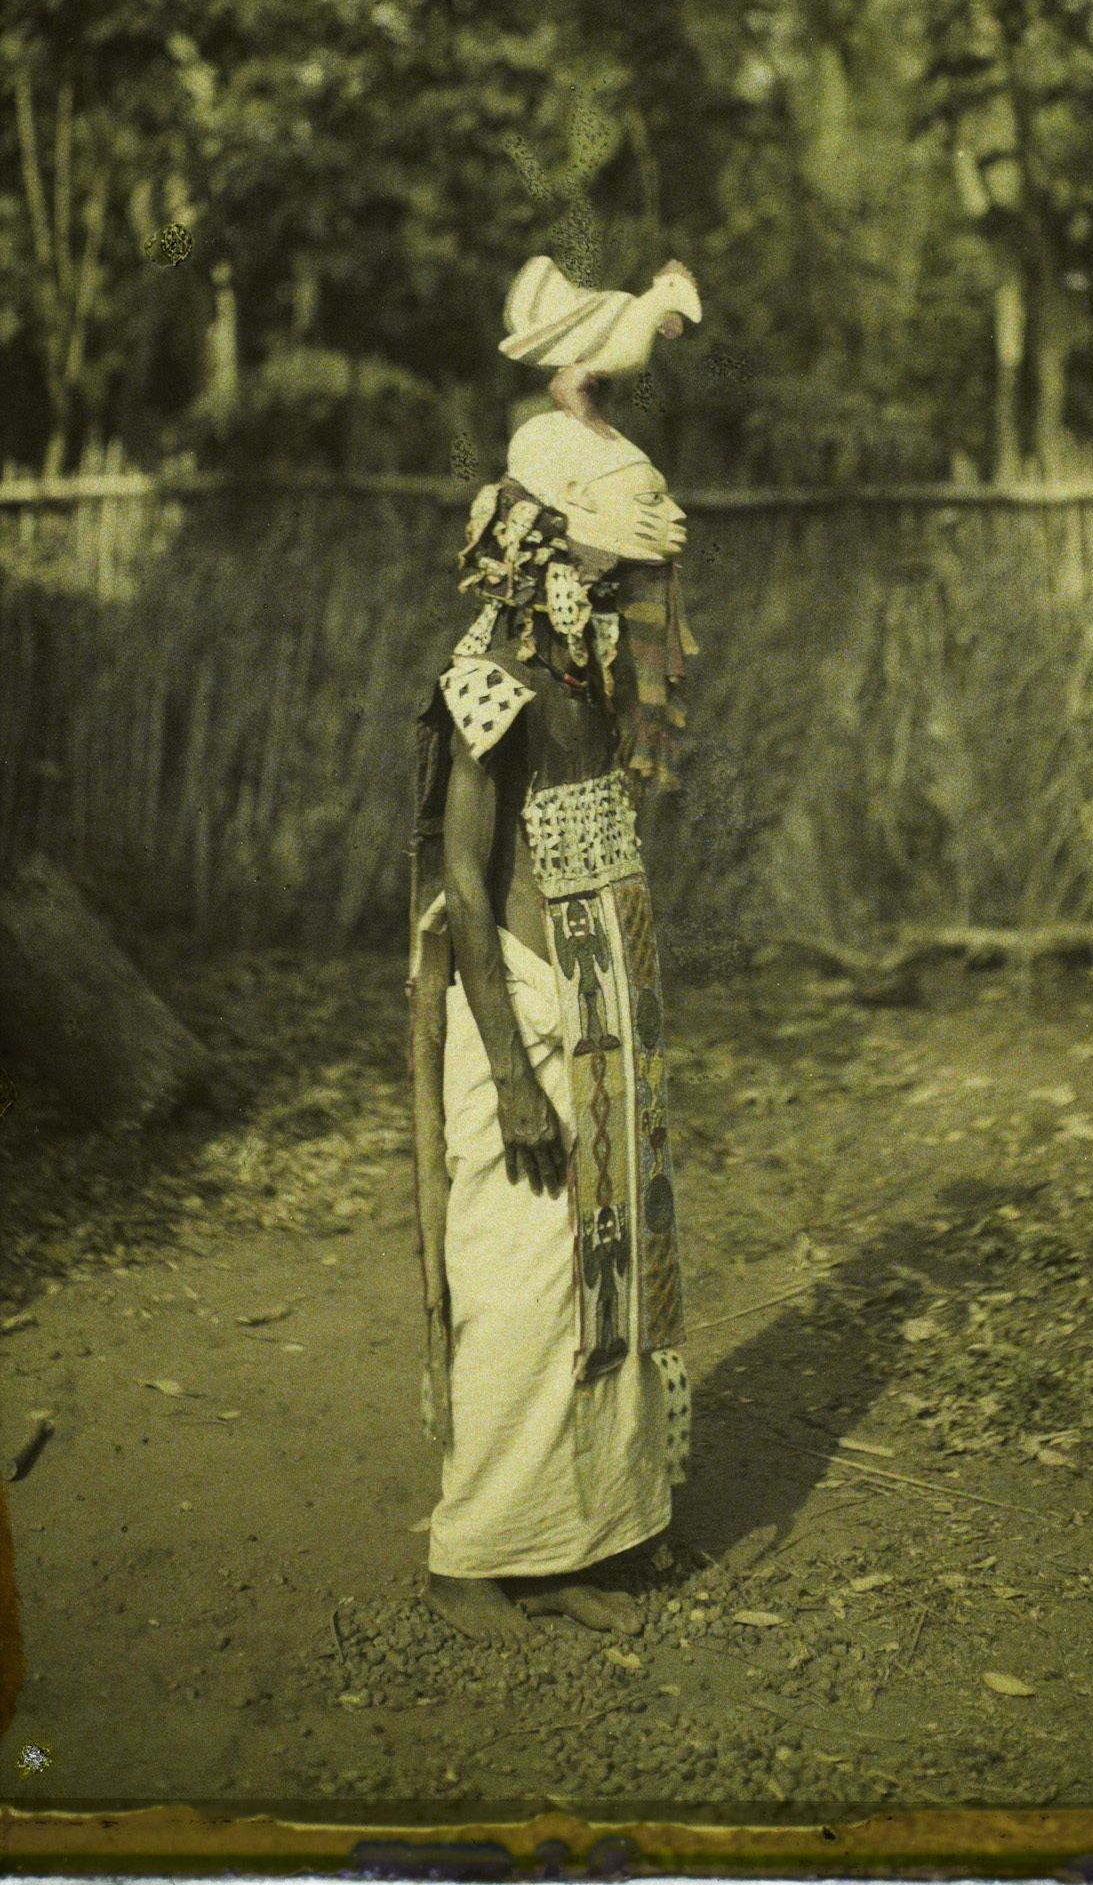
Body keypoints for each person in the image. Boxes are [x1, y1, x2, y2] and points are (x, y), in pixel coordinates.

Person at [408, 408, 696, 1644]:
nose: (629, 587)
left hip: (605, 990)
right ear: (551, 551)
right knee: (525, 1275)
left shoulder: (579, 664)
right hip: (521, 999)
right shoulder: (485, 676)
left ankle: (570, 1535)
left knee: (604, 1267)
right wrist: (518, 1075)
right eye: (609, 565)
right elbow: (464, 881)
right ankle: (473, 1552)